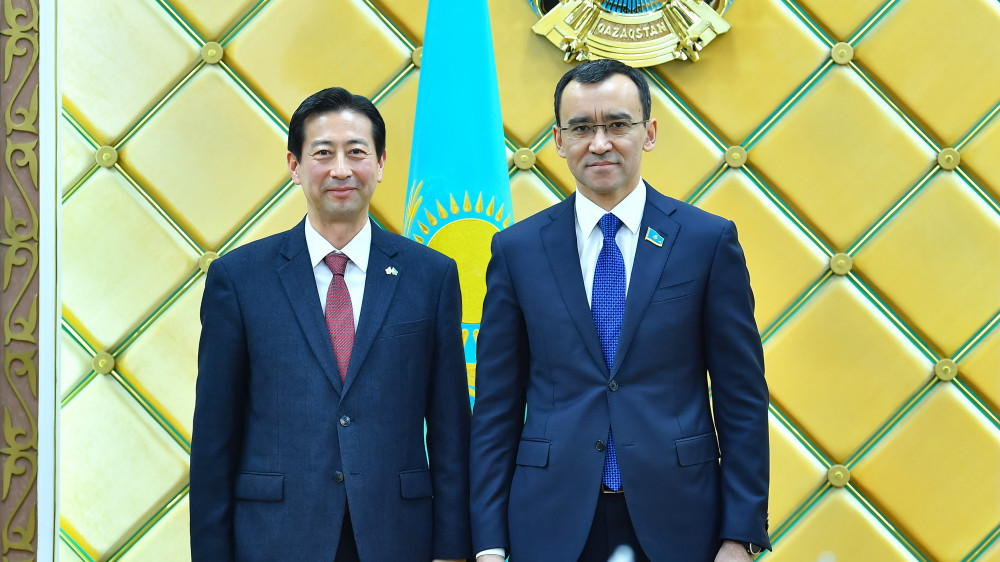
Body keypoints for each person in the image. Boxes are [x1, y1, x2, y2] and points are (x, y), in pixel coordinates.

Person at [469, 59, 770, 561]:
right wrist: (488, 544)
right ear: (558, 140)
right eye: (581, 128)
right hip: (549, 521)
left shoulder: (706, 241)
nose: (599, 143)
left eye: (617, 124)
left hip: (681, 520)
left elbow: (741, 399)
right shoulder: (517, 250)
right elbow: (496, 408)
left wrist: (740, 537)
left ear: (648, 133)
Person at [190, 87, 471, 561]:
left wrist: (452, 550)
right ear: (294, 165)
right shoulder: (239, 279)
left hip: (398, 537)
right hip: (274, 539)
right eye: (323, 153)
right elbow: (214, 439)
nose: (341, 169)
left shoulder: (431, 276)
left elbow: (450, 432)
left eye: (356, 152)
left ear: (380, 164)